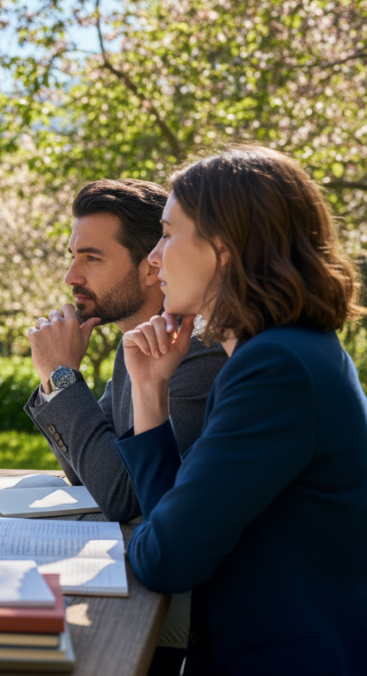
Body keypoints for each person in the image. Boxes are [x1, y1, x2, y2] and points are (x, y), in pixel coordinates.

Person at [116, 146, 367, 675]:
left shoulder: (276, 369)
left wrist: (149, 540)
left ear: (223, 248)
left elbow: (167, 557)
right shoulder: (284, 353)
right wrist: (149, 390)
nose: (154, 257)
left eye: (167, 233)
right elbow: (177, 529)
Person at [24, 179, 226, 522]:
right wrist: (54, 378)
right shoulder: (135, 345)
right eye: (73, 257)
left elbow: (123, 494)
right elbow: (88, 469)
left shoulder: (197, 350)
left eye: (92, 258)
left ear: (152, 266)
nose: (71, 277)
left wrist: (60, 375)